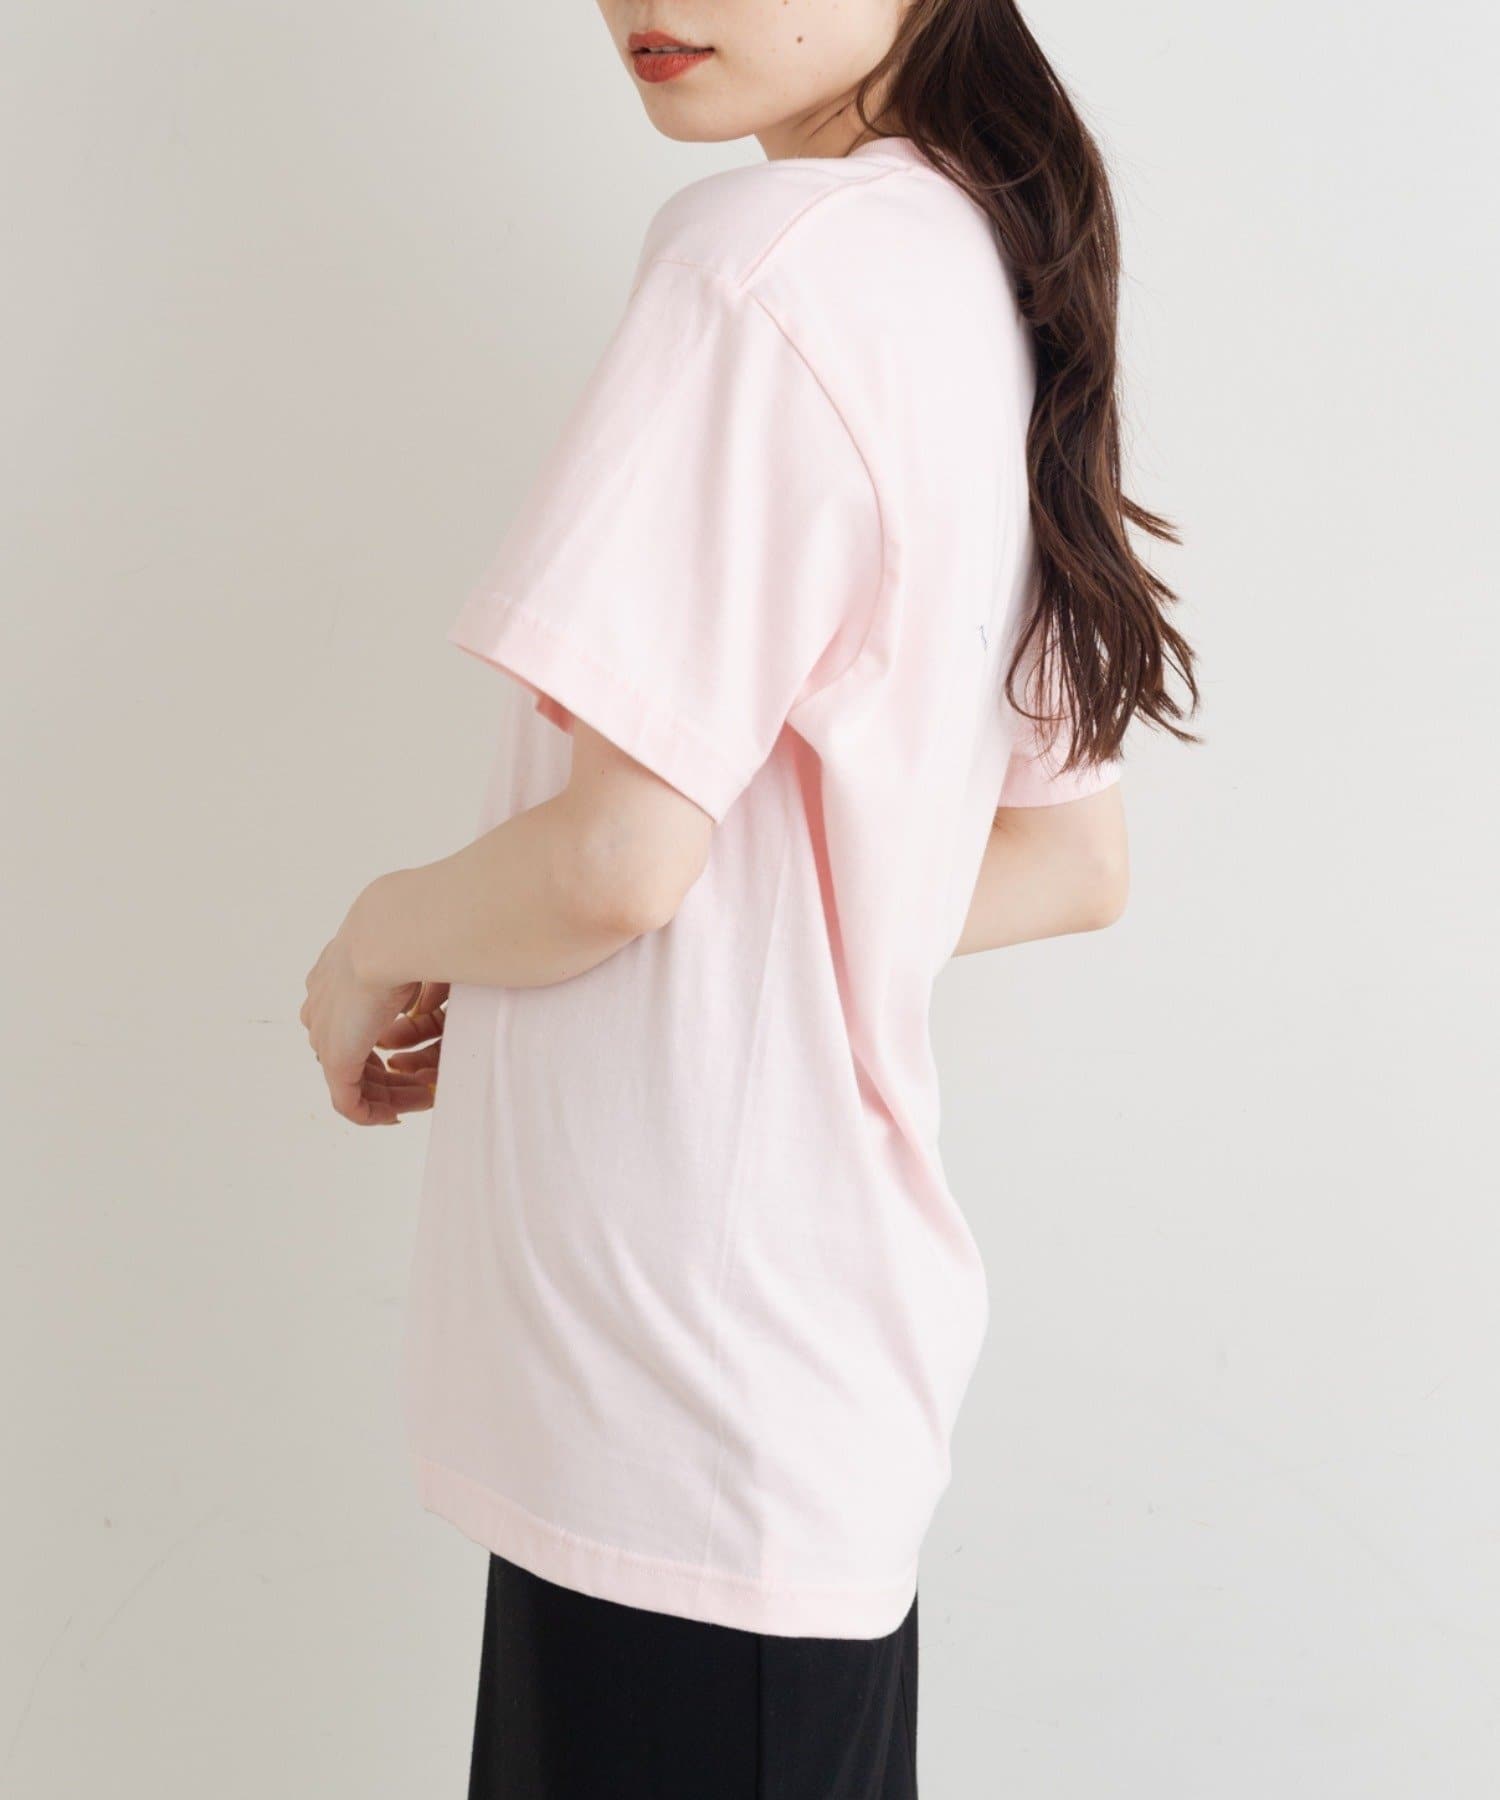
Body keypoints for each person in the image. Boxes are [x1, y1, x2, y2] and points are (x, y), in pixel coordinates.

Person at [301, 2, 1197, 1793]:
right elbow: (1063, 860)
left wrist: (370, 940)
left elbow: (616, 864)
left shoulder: (761, 263)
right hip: (773, 1403)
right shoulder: (985, 270)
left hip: (673, 1400)